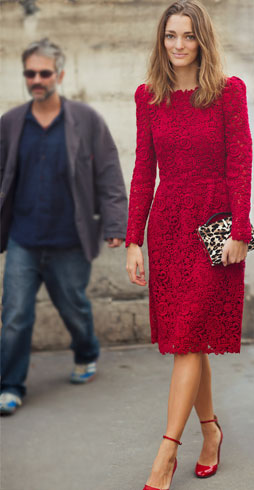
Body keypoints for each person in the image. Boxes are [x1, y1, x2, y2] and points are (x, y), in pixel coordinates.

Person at [125, 1, 253, 488]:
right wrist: (133, 239)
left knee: (186, 340)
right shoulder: (148, 97)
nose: (179, 45)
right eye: (171, 36)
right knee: (189, 339)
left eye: (188, 36)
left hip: (214, 225)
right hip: (169, 224)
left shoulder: (227, 92)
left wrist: (240, 229)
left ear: (203, 40)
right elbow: (143, 171)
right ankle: (211, 431)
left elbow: (241, 162)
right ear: (162, 41)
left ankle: (166, 452)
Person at [0, 38, 128, 415]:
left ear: (60, 74)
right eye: (30, 73)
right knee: (15, 315)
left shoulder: (86, 120)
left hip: (70, 241)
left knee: (73, 308)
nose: (36, 79)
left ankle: (87, 352)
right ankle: (9, 385)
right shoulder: (10, 123)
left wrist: (115, 223)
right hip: (24, 239)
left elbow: (108, 173)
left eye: (44, 72)